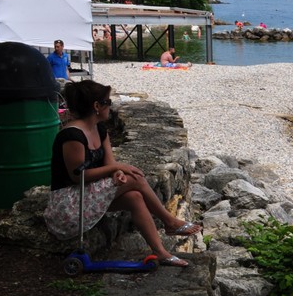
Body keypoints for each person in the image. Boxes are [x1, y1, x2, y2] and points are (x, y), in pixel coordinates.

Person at [42, 80, 200, 267]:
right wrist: (117, 169)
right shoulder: (71, 136)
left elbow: (110, 164)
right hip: (68, 204)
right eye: (108, 102)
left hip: (86, 194)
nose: (111, 106)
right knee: (136, 179)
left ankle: (160, 252)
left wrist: (117, 172)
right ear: (96, 106)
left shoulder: (100, 129)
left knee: (134, 197)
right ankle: (170, 222)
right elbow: (78, 176)